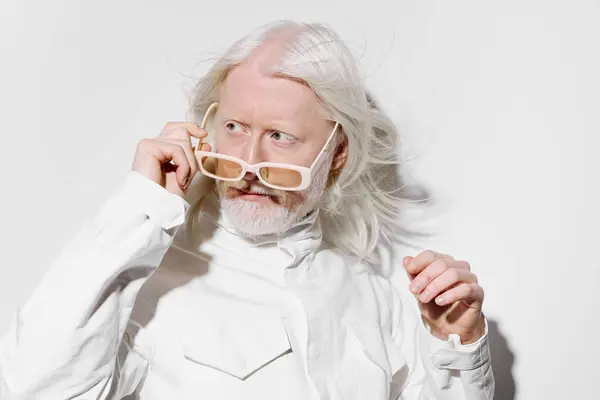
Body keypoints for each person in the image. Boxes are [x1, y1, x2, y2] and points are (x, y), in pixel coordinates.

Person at [0, 20, 494, 399]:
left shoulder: (379, 303)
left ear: (336, 153)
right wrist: (140, 207)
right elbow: (33, 385)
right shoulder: (146, 277)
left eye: (279, 136)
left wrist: (457, 343)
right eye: (234, 128)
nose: (248, 164)